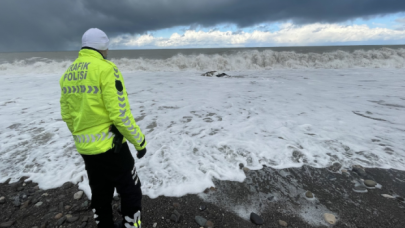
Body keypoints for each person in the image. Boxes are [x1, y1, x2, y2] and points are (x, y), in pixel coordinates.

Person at [59, 28, 146, 228]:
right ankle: (132, 226)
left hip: (86, 148)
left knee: (100, 190)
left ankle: (104, 225)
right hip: (111, 146)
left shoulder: (68, 74)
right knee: (131, 189)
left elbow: (67, 115)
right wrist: (139, 142)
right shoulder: (107, 69)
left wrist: (82, 136)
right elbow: (120, 114)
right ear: (103, 48)